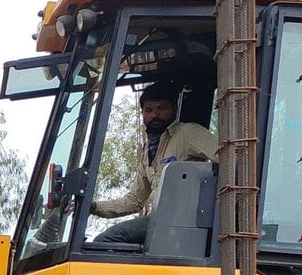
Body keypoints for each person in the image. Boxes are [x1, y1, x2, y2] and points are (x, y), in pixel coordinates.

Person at [90, 81, 216, 244]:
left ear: (174, 110)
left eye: (162, 108)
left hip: (182, 221)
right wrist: (93, 207)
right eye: (149, 110)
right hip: (159, 221)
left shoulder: (188, 133)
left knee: (107, 239)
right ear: (142, 113)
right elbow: (135, 201)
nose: (155, 115)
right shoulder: (147, 151)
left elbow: (228, 158)